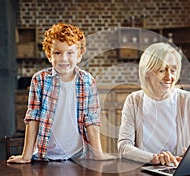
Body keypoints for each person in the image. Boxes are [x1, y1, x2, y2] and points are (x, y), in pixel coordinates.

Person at [7, 22, 115, 163]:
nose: (64, 58)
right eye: (57, 52)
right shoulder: (39, 80)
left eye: (70, 53)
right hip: (45, 155)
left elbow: (92, 119)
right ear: (49, 55)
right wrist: (26, 156)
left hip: (77, 156)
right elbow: (33, 118)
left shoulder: (88, 81)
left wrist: (98, 153)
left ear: (79, 55)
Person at [117, 42, 190, 166]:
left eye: (173, 70)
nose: (169, 77)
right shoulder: (133, 101)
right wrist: (154, 158)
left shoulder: (189, 100)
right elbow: (124, 147)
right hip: (145, 172)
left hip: (179, 170)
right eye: (162, 70)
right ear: (147, 73)